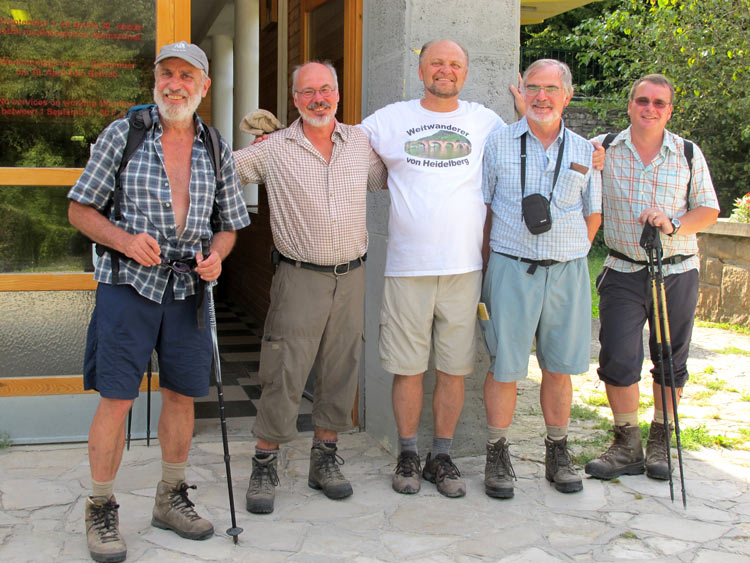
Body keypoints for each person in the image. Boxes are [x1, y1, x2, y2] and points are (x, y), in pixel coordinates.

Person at [68, 42, 250, 563]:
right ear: (155, 80)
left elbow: (229, 225)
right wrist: (124, 240)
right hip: (127, 287)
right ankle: (100, 506)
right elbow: (80, 209)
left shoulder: (215, 145)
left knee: (181, 395)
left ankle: (170, 496)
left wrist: (217, 256)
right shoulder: (123, 134)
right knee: (117, 397)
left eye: (186, 75)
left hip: (188, 290)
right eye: (166, 73)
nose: (175, 83)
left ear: (204, 86)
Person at [233, 61, 387, 514]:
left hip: (352, 274)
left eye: (326, 90)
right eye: (308, 92)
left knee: (341, 368)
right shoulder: (273, 148)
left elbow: (385, 178)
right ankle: (265, 462)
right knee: (283, 370)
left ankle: (325, 459)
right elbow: (220, 174)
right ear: (294, 98)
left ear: (338, 94)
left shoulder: (360, 142)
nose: (318, 99)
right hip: (298, 275)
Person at [359, 39, 509, 498]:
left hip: (465, 269)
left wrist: (594, 156)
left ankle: (440, 457)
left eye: (455, 64)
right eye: (437, 63)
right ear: (420, 68)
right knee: (407, 369)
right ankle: (407, 452)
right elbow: (336, 145)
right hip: (407, 268)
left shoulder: (485, 121)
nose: (446, 70)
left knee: (454, 369)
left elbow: (525, 153)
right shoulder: (390, 119)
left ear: (465, 72)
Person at [585, 74, 719, 481]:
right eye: (643, 101)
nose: (650, 109)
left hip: (675, 271)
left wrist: (673, 222)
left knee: (670, 360)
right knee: (618, 357)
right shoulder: (603, 149)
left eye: (660, 103)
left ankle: (662, 439)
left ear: (670, 110)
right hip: (623, 268)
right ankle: (627, 444)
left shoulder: (688, 153)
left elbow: (709, 211)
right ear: (630, 105)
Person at [480, 59, 602, 499]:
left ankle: (558, 451)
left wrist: (574, 252)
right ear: (522, 91)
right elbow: (485, 209)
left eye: (551, 88)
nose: (541, 96)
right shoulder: (498, 143)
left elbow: (594, 212)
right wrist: (487, 269)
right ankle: (496, 453)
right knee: (505, 367)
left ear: (567, 95)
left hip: (567, 271)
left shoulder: (587, 151)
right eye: (533, 87)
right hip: (511, 268)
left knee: (559, 368)